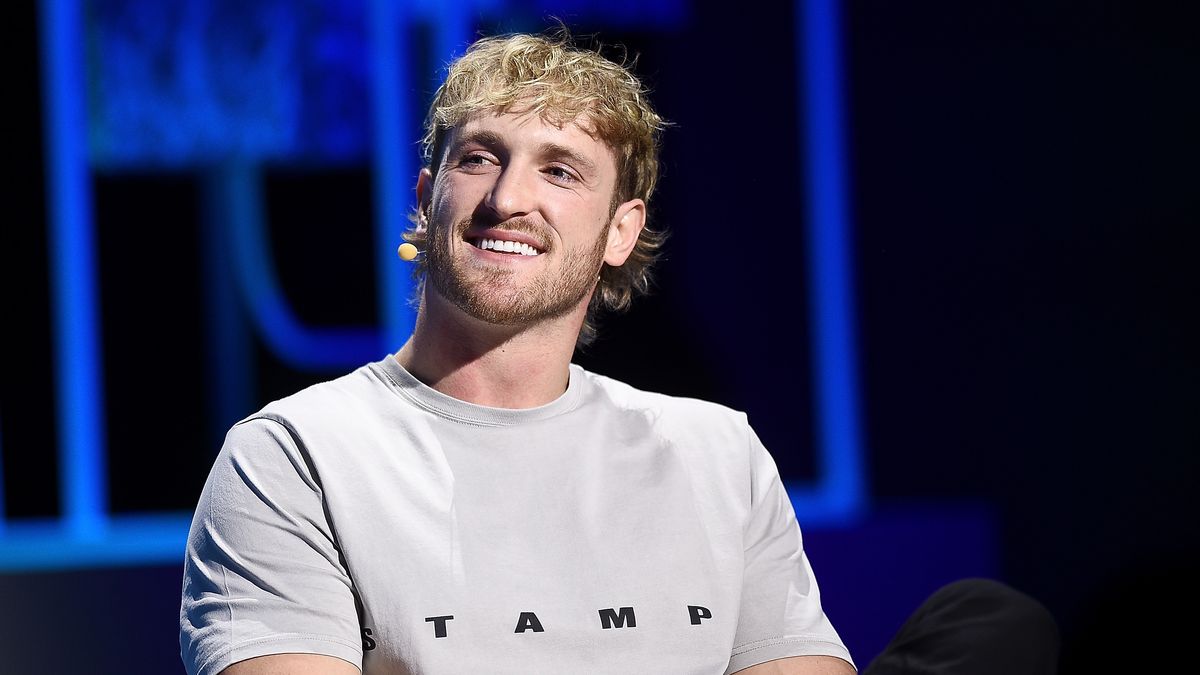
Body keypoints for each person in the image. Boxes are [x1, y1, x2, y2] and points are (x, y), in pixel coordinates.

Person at [180, 29, 1058, 675]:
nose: (508, 199)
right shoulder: (295, 456)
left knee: (990, 624)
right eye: (479, 158)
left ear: (620, 231)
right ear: (427, 195)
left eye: (560, 170)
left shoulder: (714, 452)